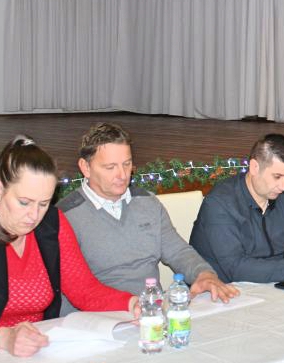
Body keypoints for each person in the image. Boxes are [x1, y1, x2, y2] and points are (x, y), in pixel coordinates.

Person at [0, 137, 137, 357]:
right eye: (24, 202)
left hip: (35, 349)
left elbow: (84, 290)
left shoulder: (53, 223)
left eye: (44, 203)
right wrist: (5, 337)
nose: (34, 215)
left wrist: (133, 303)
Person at [57, 123, 237, 313]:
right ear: (85, 167)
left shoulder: (147, 203)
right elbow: (80, 291)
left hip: (151, 310)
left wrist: (203, 274)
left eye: (127, 164)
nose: (122, 175)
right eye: (110, 167)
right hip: (97, 317)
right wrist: (130, 305)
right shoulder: (66, 216)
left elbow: (178, 252)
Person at [190, 134, 284, 283]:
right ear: (254, 167)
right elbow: (236, 269)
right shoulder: (220, 204)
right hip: (223, 289)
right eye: (277, 177)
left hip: (273, 284)